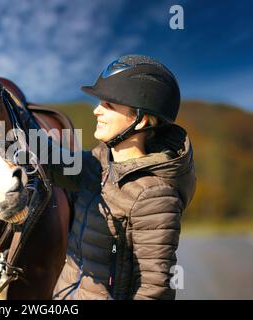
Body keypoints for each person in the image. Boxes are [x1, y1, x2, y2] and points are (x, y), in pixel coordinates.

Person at [43, 54, 196, 300]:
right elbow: (52, 160)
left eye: (109, 105)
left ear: (141, 120)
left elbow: (154, 289)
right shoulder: (96, 164)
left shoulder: (155, 196)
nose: (96, 111)